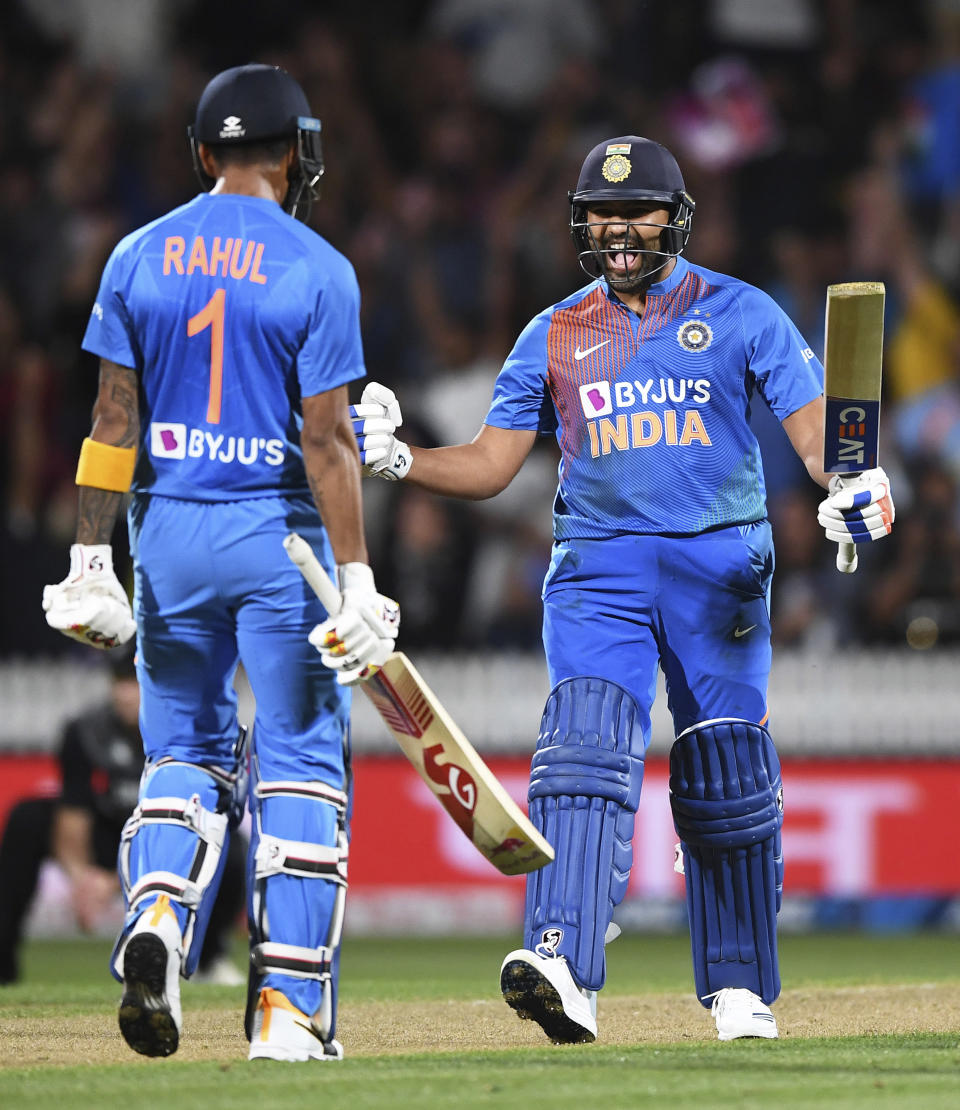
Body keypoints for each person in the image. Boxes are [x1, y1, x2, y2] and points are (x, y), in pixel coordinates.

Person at [349, 135, 895, 1043]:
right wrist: (401, 459)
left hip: (721, 567)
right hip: (598, 567)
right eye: (603, 213)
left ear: (675, 218)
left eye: (637, 210)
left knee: (728, 774)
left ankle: (740, 987)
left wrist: (854, 486)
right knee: (585, 750)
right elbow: (492, 465)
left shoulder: (742, 312)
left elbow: (817, 439)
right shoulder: (554, 329)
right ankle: (563, 961)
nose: (619, 227)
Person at [41, 64, 399, 1062]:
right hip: (278, 539)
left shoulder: (135, 254)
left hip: (169, 539)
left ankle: (156, 917)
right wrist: (361, 577)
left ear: (203, 154)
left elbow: (113, 420)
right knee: (298, 762)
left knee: (182, 757)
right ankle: (287, 1013)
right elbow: (326, 443)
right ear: (294, 154)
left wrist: (88, 558)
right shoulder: (319, 266)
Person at [0, 645, 245, 987]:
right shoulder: (87, 731)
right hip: (109, 834)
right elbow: (74, 812)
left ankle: (208, 958)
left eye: (136, 682)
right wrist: (82, 878)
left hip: (167, 837)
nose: (126, 694)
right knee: (27, 819)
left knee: (233, 848)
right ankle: (3, 966)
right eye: (119, 681)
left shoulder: (187, 734)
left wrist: (113, 883)